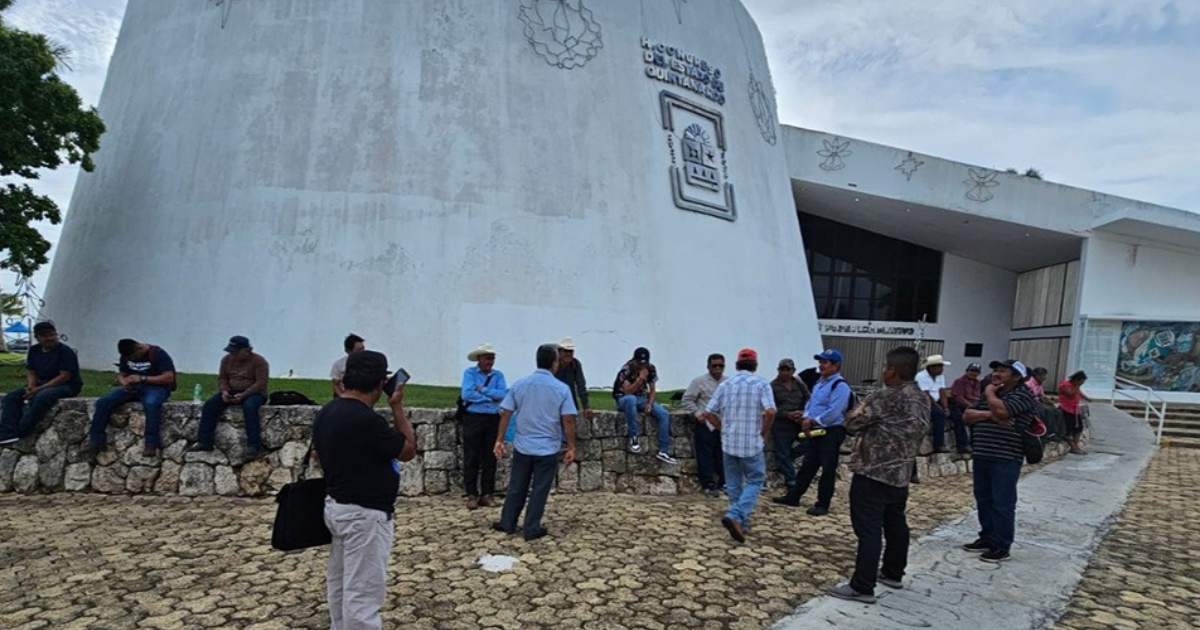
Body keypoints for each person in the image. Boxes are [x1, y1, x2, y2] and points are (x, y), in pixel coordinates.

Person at [313, 350, 417, 630]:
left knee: (340, 583)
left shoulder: (328, 412)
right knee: (363, 593)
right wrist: (397, 406)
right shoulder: (367, 421)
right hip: (366, 515)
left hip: (337, 507)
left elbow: (318, 457)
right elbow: (408, 450)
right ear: (381, 382)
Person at [829, 346, 929, 604]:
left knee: (868, 530)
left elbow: (851, 422)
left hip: (873, 472)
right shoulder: (921, 397)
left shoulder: (883, 397)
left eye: (886, 367)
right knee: (895, 524)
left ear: (893, 371)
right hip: (901, 473)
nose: (884, 371)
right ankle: (893, 572)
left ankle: (862, 585)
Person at [491, 343, 577, 540]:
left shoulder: (520, 384)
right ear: (554, 363)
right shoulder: (561, 389)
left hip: (523, 444)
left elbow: (506, 412)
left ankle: (508, 521)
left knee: (517, 486)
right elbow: (568, 419)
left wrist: (500, 439)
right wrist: (571, 446)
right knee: (540, 489)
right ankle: (531, 526)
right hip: (547, 447)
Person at [962, 359, 1038, 563]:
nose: (996, 374)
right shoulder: (997, 394)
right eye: (995, 370)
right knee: (984, 499)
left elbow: (1003, 412)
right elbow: (967, 415)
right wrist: (990, 413)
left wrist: (989, 393)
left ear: (1017, 376)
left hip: (1006, 457)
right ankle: (987, 537)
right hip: (983, 454)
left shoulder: (1022, 395)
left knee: (1002, 503)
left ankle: (1001, 545)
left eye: (1002, 371)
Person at [701, 348, 776, 542]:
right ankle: (736, 516)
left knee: (733, 484)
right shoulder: (762, 384)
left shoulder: (726, 384)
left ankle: (740, 522)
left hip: (729, 441)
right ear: (755, 365)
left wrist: (722, 427)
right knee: (755, 480)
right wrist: (764, 432)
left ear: (736, 365)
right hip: (751, 442)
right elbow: (770, 412)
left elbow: (708, 412)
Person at [772, 349, 849, 515]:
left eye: (825, 362)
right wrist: (806, 417)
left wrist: (812, 420)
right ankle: (794, 496)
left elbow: (834, 411)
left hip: (830, 431)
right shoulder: (820, 383)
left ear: (835, 366)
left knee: (828, 468)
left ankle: (823, 503)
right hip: (815, 430)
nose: (821, 365)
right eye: (820, 362)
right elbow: (810, 404)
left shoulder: (840, 386)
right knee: (808, 465)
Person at [86, 338, 177, 458]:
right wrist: (124, 381)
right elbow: (121, 373)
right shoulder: (126, 355)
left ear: (139, 348)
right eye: (129, 359)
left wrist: (143, 378)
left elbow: (169, 377)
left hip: (156, 387)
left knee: (151, 404)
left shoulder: (158, 354)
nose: (131, 360)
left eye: (133, 357)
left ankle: (151, 443)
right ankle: (96, 440)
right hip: (133, 387)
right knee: (104, 402)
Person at [0, 321, 83, 444]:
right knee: (11, 397)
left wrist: (38, 389)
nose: (50, 338)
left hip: (66, 385)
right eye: (45, 336)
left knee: (42, 397)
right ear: (38, 338)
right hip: (40, 384)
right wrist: (31, 386)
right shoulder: (34, 350)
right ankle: (7, 432)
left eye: (52, 335)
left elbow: (64, 376)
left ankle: (23, 429)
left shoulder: (65, 352)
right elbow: (31, 371)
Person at [191, 336, 270, 459]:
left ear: (246, 350)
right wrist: (224, 391)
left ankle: (254, 445)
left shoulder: (259, 361)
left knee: (250, 407)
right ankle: (205, 441)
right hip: (232, 390)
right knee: (210, 405)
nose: (233, 355)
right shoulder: (226, 360)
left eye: (236, 352)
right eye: (231, 352)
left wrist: (244, 395)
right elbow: (222, 378)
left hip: (254, 393)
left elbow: (260, 383)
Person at [460, 342, 508, 509]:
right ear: (479, 359)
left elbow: (502, 394)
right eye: (488, 358)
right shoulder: (470, 373)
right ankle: (471, 493)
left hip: (492, 418)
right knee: (471, 456)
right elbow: (467, 394)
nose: (490, 361)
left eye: (492, 358)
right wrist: (489, 397)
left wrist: (483, 391)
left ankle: (487, 493)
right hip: (474, 418)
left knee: (490, 457)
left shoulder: (498, 375)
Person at [613, 347, 677, 464]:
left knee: (663, 413)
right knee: (631, 400)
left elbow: (652, 389)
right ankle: (634, 438)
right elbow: (627, 391)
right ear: (635, 360)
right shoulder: (627, 369)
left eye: (645, 363)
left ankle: (663, 451)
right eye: (640, 363)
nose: (642, 366)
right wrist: (640, 379)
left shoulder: (651, 369)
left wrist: (649, 403)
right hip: (623, 398)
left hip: (641, 398)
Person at [679, 353, 728, 496]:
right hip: (706, 423)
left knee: (723, 454)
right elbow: (687, 400)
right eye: (715, 366)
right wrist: (697, 413)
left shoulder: (728, 382)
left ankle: (724, 482)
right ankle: (708, 484)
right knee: (705, 454)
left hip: (723, 423)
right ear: (708, 366)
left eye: (721, 366)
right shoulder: (699, 382)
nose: (718, 368)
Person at [769, 358, 811, 502]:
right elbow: (770, 407)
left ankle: (788, 460)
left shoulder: (799, 384)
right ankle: (792, 481)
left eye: (788, 370)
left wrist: (802, 412)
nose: (785, 372)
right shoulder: (772, 386)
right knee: (782, 452)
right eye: (783, 369)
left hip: (798, 423)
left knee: (809, 443)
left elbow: (808, 398)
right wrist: (787, 414)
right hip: (782, 424)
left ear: (793, 371)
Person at [915, 355, 951, 454]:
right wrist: (939, 408)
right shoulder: (921, 376)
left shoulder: (940, 376)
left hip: (937, 400)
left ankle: (963, 444)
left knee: (956, 413)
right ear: (931, 367)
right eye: (940, 367)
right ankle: (939, 444)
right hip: (924, 402)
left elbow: (942, 391)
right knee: (939, 415)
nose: (942, 369)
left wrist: (946, 407)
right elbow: (926, 395)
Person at [553, 337, 593, 420]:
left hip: (570, 400)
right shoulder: (553, 364)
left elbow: (581, 384)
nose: (568, 354)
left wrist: (586, 406)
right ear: (560, 352)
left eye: (570, 351)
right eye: (565, 351)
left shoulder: (575, 364)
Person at [948, 363, 982, 455]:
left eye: (976, 371)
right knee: (959, 420)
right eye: (971, 370)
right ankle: (962, 445)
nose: (973, 373)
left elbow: (977, 397)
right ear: (967, 371)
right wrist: (970, 405)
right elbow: (958, 397)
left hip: (972, 406)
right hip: (958, 406)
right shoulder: (959, 381)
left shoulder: (977, 383)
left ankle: (975, 444)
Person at [1057, 371, 1091, 455]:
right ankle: (1074, 447)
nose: (1081, 384)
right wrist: (1076, 385)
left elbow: (1079, 393)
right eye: (1081, 382)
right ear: (1076, 380)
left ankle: (1075, 445)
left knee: (1079, 428)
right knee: (1068, 430)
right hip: (1066, 409)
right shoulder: (1065, 385)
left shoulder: (1076, 386)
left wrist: (1087, 398)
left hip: (1075, 410)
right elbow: (1070, 393)